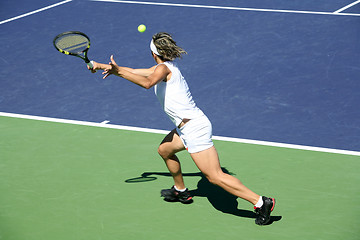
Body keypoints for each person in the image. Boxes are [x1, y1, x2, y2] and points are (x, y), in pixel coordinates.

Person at [88, 32, 275, 225]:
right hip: (185, 128)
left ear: (154, 53)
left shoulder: (162, 69)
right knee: (165, 150)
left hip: (194, 128)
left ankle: (261, 202)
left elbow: (146, 83)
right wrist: (101, 65)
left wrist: (118, 72)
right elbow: (135, 71)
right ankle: (181, 191)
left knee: (215, 176)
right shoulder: (163, 67)